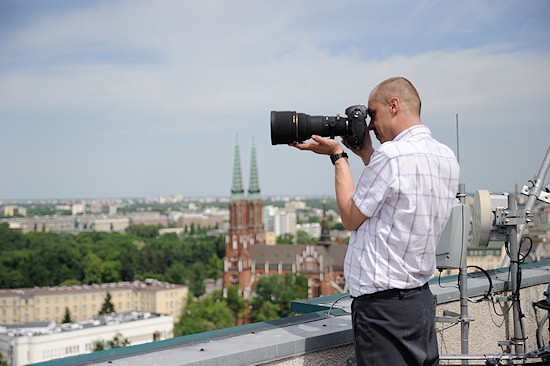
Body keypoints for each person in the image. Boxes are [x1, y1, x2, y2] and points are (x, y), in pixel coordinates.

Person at [292, 77, 459, 365]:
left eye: (373, 114)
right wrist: (367, 154)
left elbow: (349, 216)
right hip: (419, 301)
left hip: (383, 309)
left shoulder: (392, 156)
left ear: (394, 105)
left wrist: (338, 156)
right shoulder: (445, 156)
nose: (369, 126)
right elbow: (398, 194)